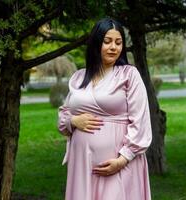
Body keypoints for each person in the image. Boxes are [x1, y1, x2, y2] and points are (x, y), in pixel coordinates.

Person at [58, 18, 152, 200]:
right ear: (96, 43)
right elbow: (64, 115)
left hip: (119, 163)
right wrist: (73, 121)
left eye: (118, 42)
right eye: (107, 41)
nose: (113, 48)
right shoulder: (79, 77)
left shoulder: (129, 75)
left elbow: (140, 121)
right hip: (82, 165)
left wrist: (123, 159)